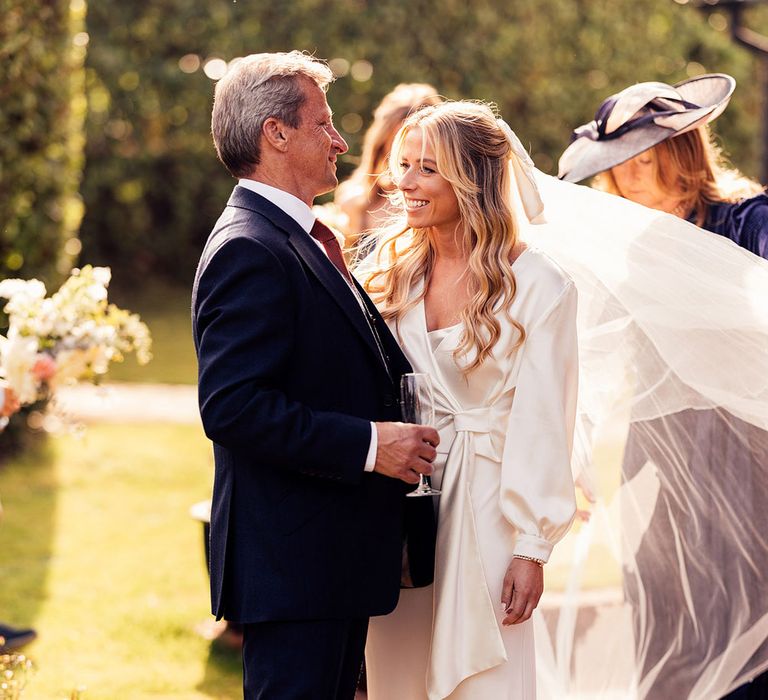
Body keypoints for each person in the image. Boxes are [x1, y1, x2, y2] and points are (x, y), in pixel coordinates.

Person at [191, 51, 440, 700]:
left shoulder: (300, 236)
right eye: (324, 124)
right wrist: (369, 445)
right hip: (294, 567)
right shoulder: (250, 247)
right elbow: (234, 408)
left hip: (327, 562)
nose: (341, 142)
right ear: (276, 133)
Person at [558, 74, 768, 699]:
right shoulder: (620, 247)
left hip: (744, 447)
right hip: (658, 449)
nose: (633, 175)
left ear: (685, 153)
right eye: (621, 162)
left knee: (749, 594)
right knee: (664, 599)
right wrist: (574, 456)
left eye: (647, 157)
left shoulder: (748, 220)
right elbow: (589, 351)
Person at [360, 101, 578, 699]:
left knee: (485, 682)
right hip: (404, 509)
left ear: (473, 180)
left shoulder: (540, 286)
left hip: (490, 512)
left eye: (425, 169)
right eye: (403, 165)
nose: (402, 182)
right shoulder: (389, 272)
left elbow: (544, 422)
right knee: (396, 675)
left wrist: (533, 548)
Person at [334, 83, 442, 255]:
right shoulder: (352, 202)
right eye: (396, 148)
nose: (403, 161)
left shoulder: (440, 209)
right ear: (381, 145)